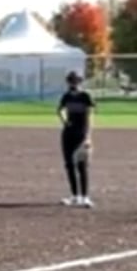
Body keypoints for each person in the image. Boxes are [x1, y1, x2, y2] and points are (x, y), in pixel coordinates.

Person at [57, 70, 96, 208]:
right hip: (68, 134)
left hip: (81, 133)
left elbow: (90, 116)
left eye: (76, 81)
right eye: (71, 81)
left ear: (80, 82)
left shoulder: (86, 96)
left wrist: (88, 136)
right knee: (69, 165)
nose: (73, 84)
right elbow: (59, 110)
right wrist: (64, 121)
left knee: (82, 165)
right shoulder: (66, 96)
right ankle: (74, 196)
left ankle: (85, 197)